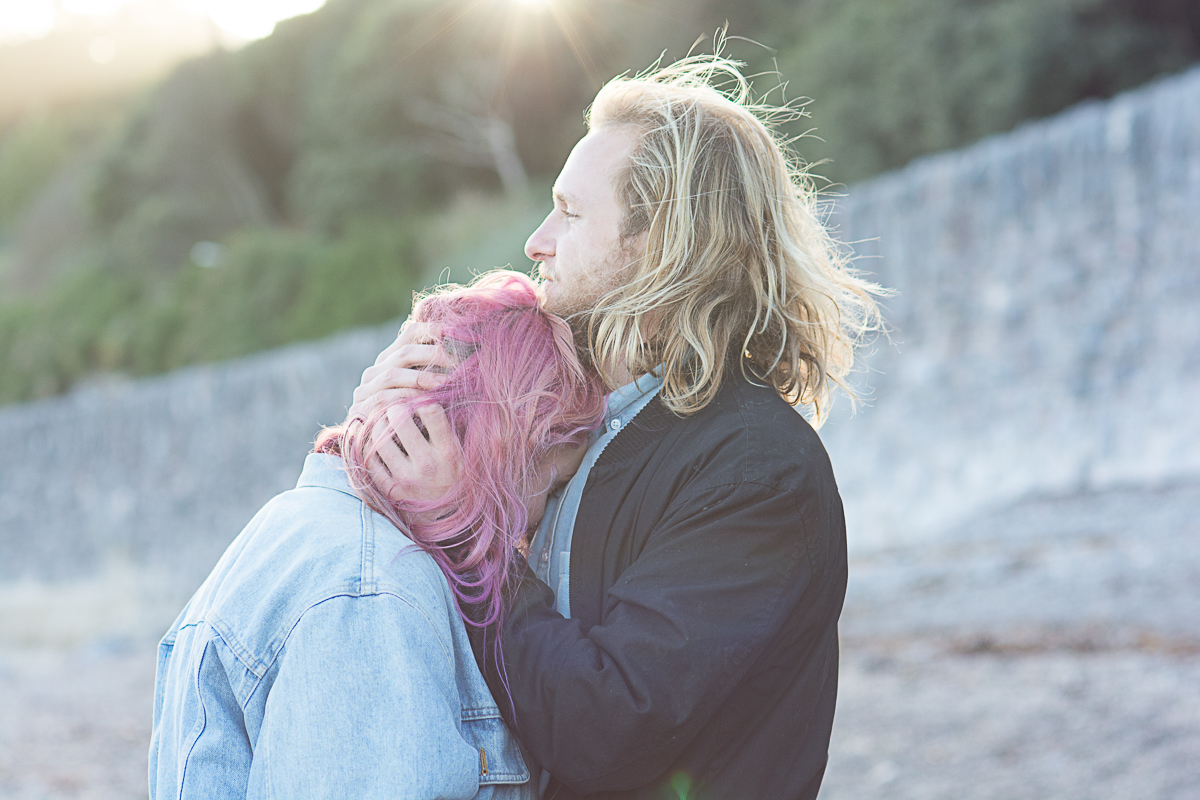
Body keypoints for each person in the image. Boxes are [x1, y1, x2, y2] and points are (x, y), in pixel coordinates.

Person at [353, 55, 886, 800]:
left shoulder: (757, 470)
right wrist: (383, 408)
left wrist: (462, 531)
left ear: (662, 243)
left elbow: (604, 727)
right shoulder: (588, 430)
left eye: (570, 213)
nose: (537, 241)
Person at [148, 272, 607, 800]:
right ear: (500, 440)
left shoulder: (301, 527)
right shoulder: (373, 590)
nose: (539, 522)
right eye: (551, 487)